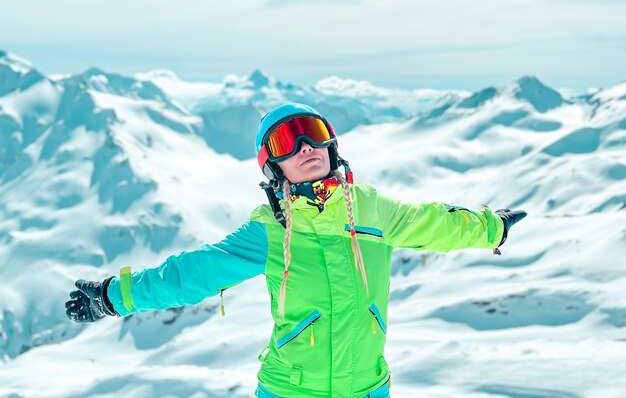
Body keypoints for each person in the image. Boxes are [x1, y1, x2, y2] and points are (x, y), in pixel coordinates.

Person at [66, 103, 527, 398]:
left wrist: (491, 228)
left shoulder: (372, 208)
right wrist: (115, 296)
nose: (306, 145)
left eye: (312, 131)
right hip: (290, 391)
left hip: (369, 388)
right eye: (288, 141)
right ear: (275, 167)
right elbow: (192, 273)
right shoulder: (269, 231)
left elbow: (435, 223)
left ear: (332, 144)